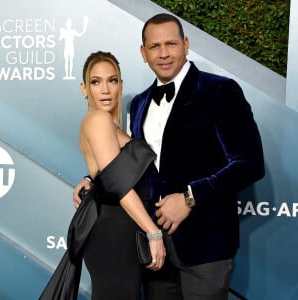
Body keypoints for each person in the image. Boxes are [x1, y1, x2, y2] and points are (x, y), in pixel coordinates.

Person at [74, 14, 265, 300]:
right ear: (143, 53)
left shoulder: (220, 91)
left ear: (186, 45)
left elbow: (249, 163)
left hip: (204, 247)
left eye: (171, 44)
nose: (163, 53)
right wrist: (95, 179)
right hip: (153, 250)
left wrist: (191, 197)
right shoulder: (139, 103)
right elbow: (137, 167)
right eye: (154, 46)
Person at [77, 50, 166, 300]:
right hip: (113, 235)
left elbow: (106, 174)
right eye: (96, 82)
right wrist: (153, 232)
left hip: (122, 230)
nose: (105, 89)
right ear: (85, 89)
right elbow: (118, 183)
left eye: (112, 80)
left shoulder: (108, 124)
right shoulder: (98, 120)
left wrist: (89, 180)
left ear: (120, 85)